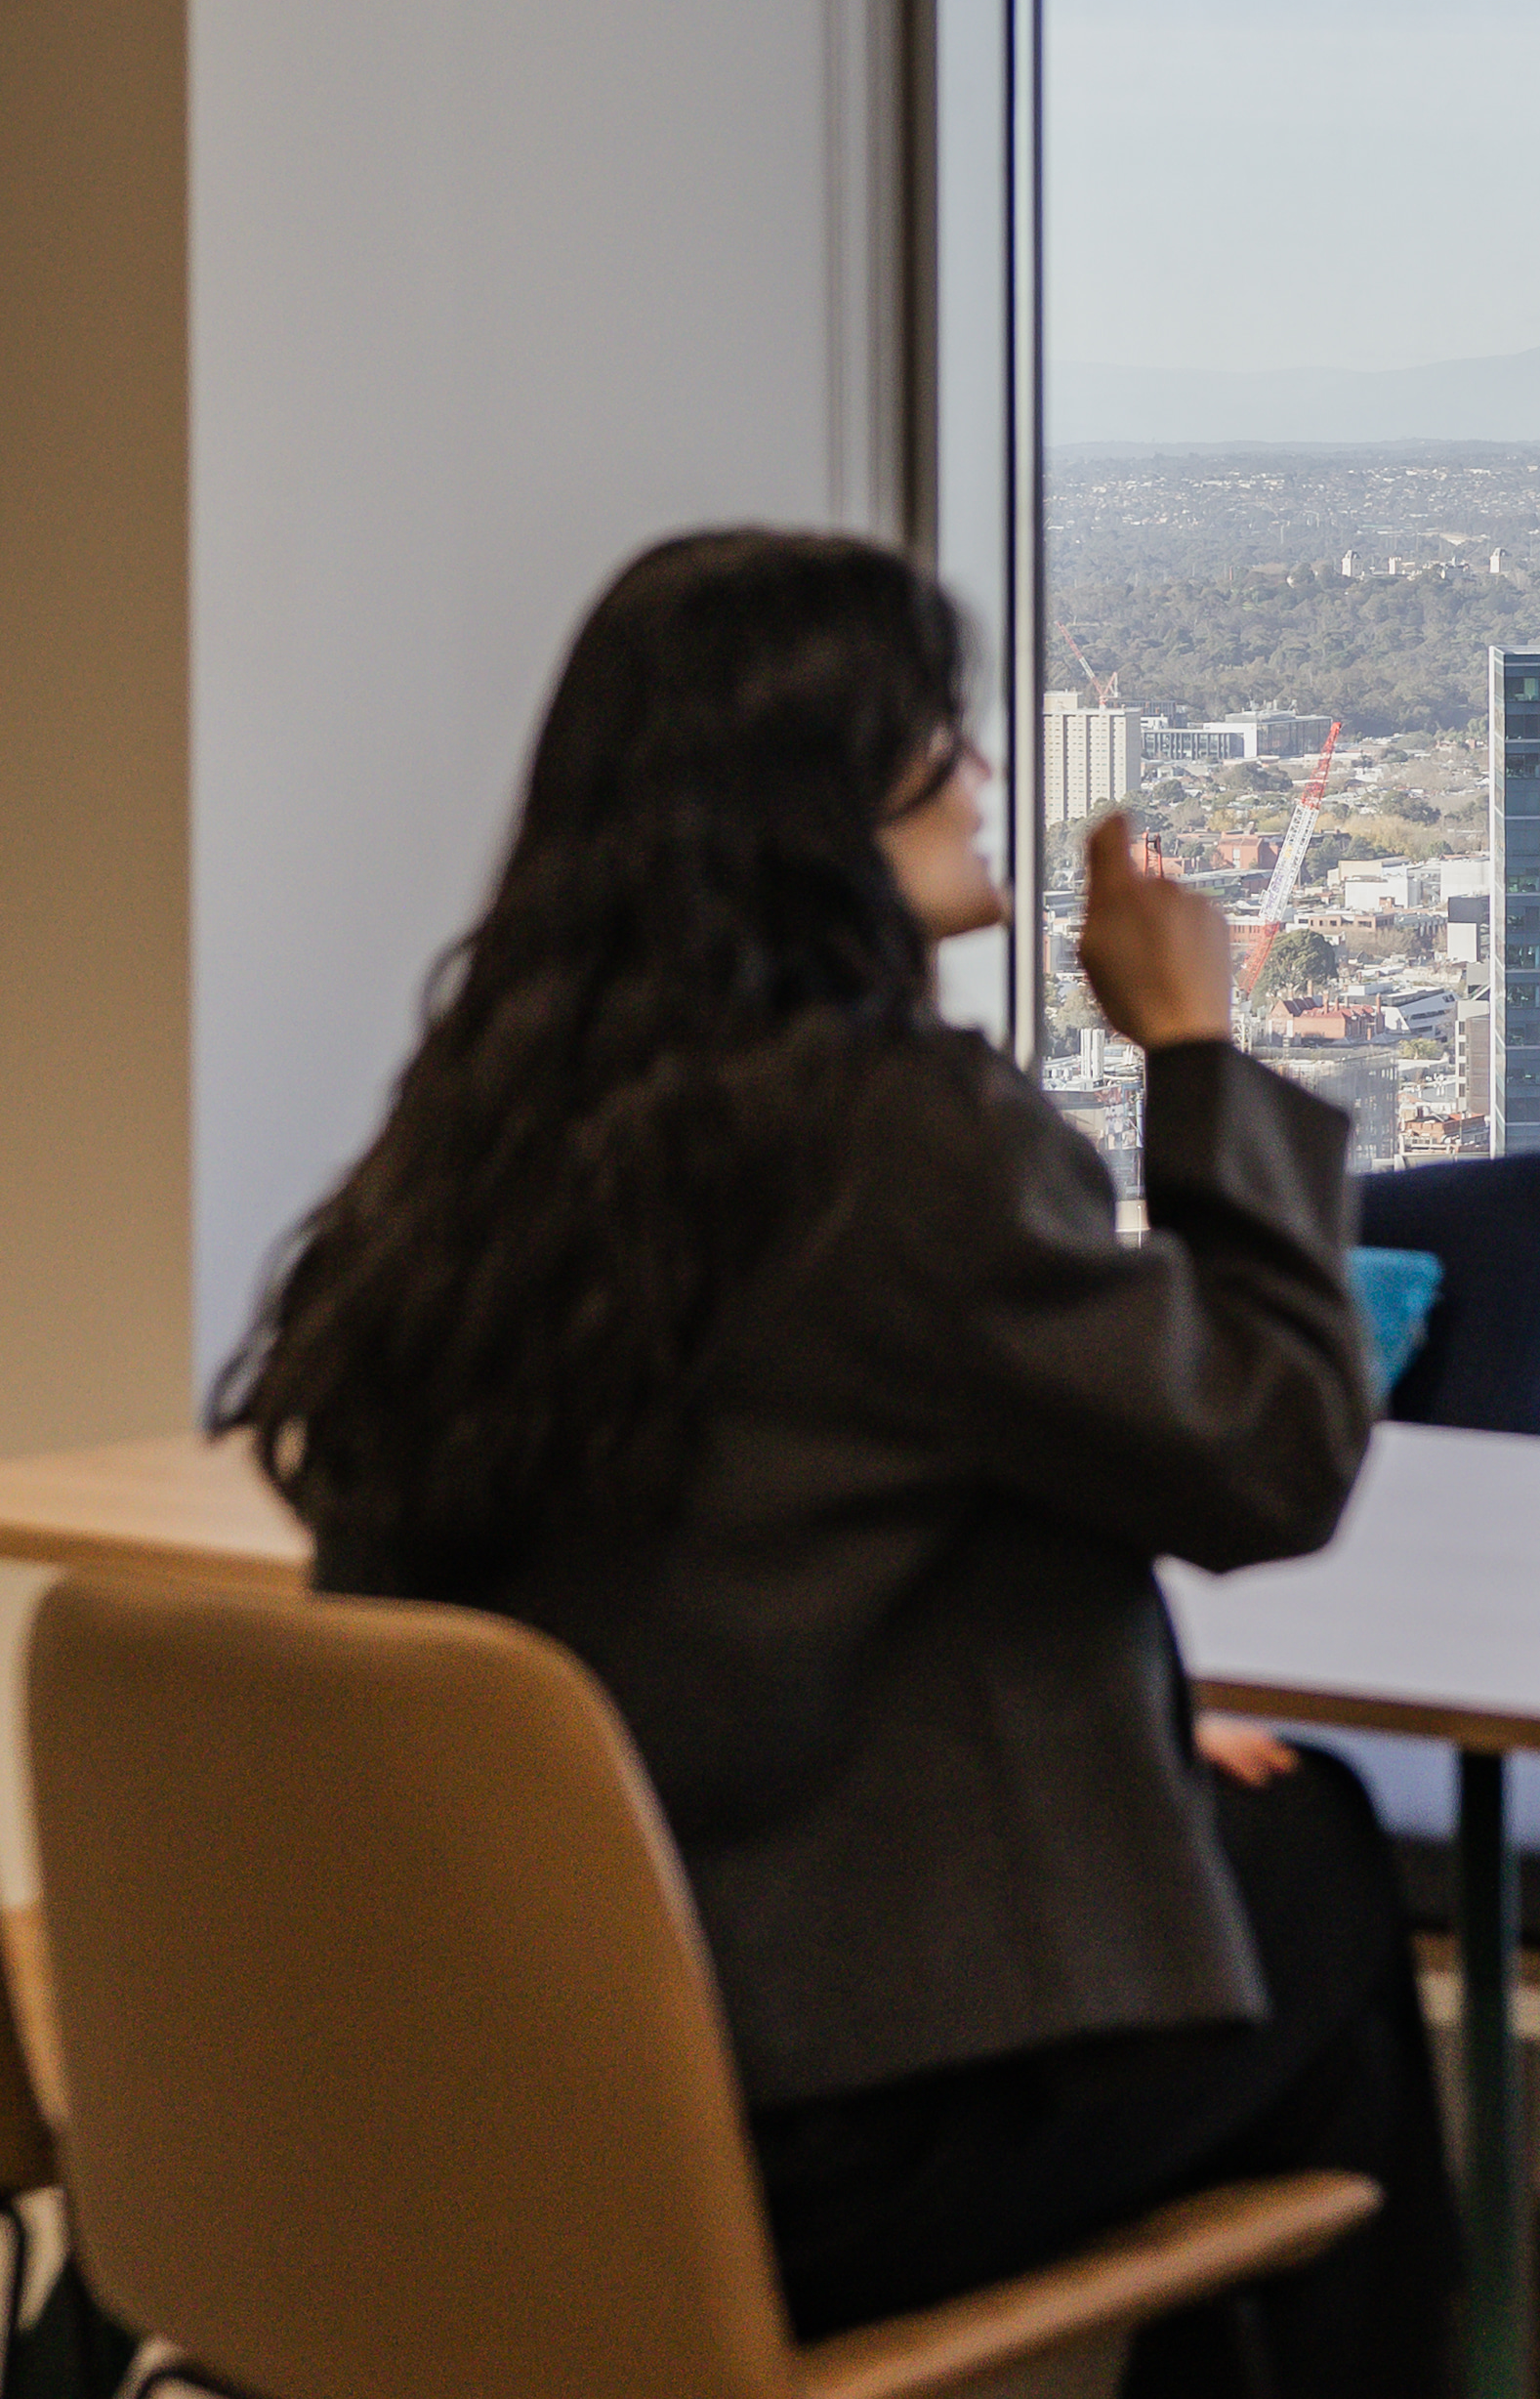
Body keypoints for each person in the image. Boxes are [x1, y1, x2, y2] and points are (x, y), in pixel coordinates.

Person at [219, 528, 1451, 2397]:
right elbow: (1273, 1457)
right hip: (792, 2140)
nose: (984, 775)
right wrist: (1197, 1049)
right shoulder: (899, 1135)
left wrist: (1103, 1733)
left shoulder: (476, 1135)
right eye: (940, 737)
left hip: (492, 2088)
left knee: (1251, 1847)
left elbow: (689, 1585)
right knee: (1315, 1868)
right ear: (822, 797)